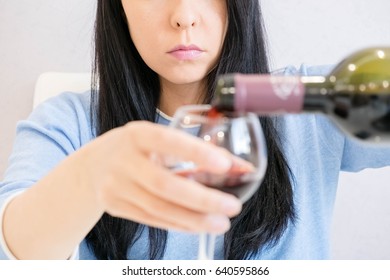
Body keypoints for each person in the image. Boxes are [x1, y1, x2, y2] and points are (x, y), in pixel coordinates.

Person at [0, 0, 389, 260]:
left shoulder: (308, 99)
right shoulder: (70, 121)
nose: (183, 15)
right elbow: (15, 249)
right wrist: (91, 177)